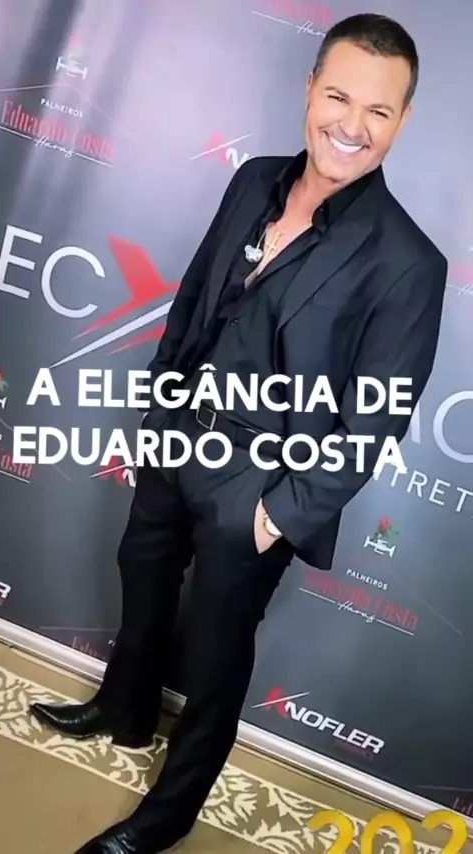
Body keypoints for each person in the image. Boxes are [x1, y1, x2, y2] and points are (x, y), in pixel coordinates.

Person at [30, 12, 447, 853]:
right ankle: (125, 707)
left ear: (402, 120)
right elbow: (193, 300)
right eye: (339, 97)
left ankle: (166, 816)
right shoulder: (254, 179)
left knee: (217, 657)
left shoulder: (409, 263)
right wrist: (160, 416)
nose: (352, 125)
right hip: (180, 437)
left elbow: (376, 419)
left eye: (378, 110)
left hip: (260, 483)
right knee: (143, 576)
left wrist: (276, 515)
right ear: (311, 90)